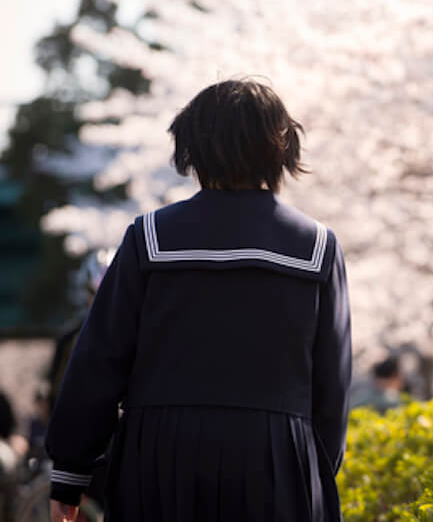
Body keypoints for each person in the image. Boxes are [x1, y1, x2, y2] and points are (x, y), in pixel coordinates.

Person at [45, 78, 352, 522]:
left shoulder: (149, 238)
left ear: (192, 148)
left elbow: (99, 360)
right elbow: (332, 385)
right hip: (276, 456)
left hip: (159, 454)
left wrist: (71, 472)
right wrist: (312, 471)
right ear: (283, 149)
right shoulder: (318, 248)